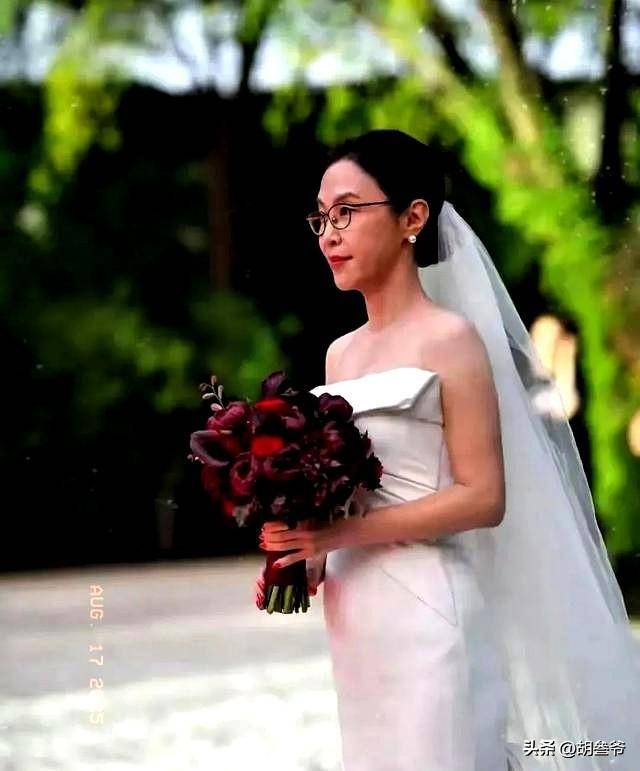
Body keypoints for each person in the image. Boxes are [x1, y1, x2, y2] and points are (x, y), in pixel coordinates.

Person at [256, 129, 640, 770]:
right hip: (357, 615)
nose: (329, 235)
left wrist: (339, 536)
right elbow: (354, 495)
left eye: (347, 212)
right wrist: (306, 553)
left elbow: (483, 498)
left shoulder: (452, 340)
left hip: (429, 609)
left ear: (413, 218)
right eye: (320, 218)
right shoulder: (339, 354)